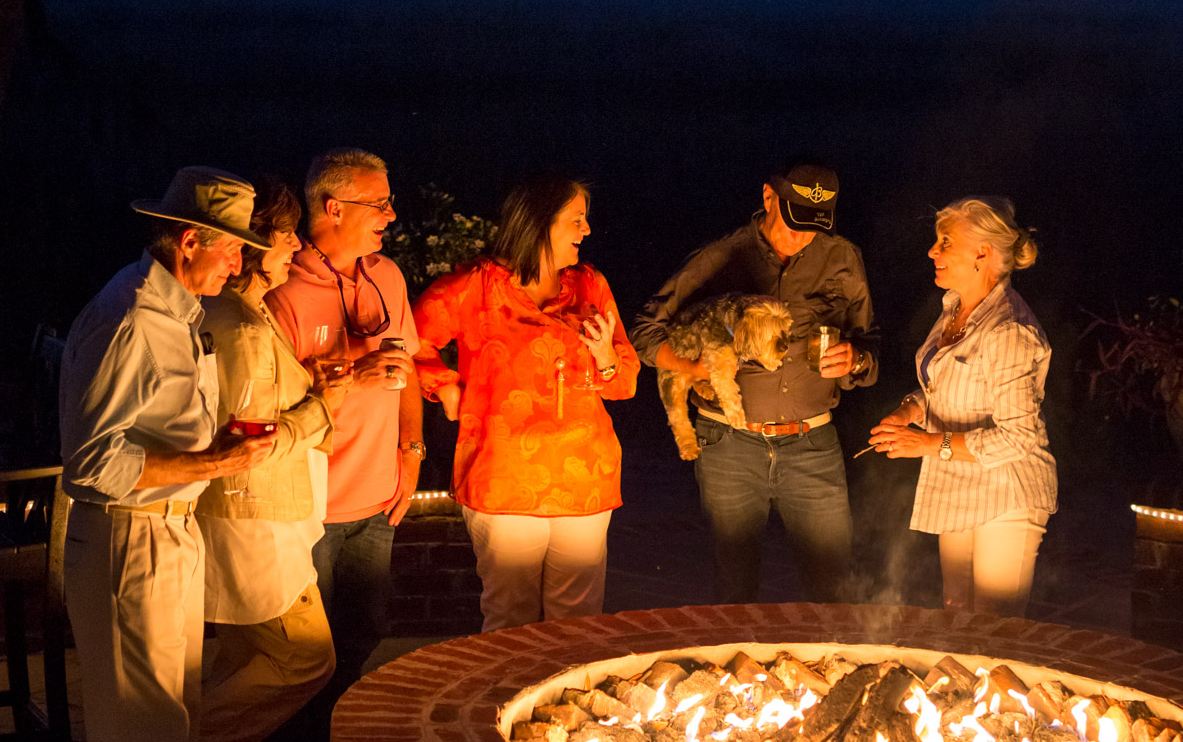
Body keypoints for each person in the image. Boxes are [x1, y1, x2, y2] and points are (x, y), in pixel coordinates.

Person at [60, 168, 275, 742]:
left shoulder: (179, 314)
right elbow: (94, 462)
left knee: (167, 732)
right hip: (129, 543)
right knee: (141, 738)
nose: (239, 268)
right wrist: (211, 459)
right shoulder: (127, 319)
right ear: (191, 242)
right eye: (232, 252)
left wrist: (209, 450)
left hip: (171, 533)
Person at [631, 161, 877, 605]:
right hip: (729, 444)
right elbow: (645, 333)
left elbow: (870, 343)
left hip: (812, 444)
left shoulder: (842, 257)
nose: (803, 236)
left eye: (814, 225)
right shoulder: (721, 257)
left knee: (833, 587)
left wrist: (858, 359)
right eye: (795, 220)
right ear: (768, 198)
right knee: (736, 588)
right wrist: (696, 368)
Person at [192, 177, 347, 742]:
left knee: (240, 664)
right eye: (283, 235)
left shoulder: (243, 318)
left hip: (263, 517)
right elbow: (251, 441)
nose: (293, 246)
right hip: (259, 521)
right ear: (253, 246)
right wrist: (326, 404)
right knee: (304, 656)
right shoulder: (243, 331)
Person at [263, 148, 423, 742]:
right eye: (377, 203)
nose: (390, 214)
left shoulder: (386, 276)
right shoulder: (284, 293)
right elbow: (270, 398)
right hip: (311, 507)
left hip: (376, 498)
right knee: (301, 654)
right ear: (334, 208)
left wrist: (411, 451)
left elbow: (407, 367)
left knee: (362, 632)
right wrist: (348, 368)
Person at [413, 176, 639, 631]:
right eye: (576, 219)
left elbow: (625, 384)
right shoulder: (474, 287)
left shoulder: (590, 286)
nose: (587, 230)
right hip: (504, 480)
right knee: (509, 620)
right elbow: (407, 341)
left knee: (576, 624)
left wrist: (607, 359)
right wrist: (444, 386)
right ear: (538, 223)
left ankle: (567, 702)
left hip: (584, 481)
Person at [869, 195, 1055, 615]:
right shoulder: (955, 308)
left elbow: (1018, 436)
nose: (932, 251)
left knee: (993, 629)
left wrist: (926, 445)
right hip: (959, 483)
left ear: (982, 253)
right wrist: (909, 412)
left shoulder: (1008, 330)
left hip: (1008, 489)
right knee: (956, 615)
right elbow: (945, 385)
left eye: (945, 242)